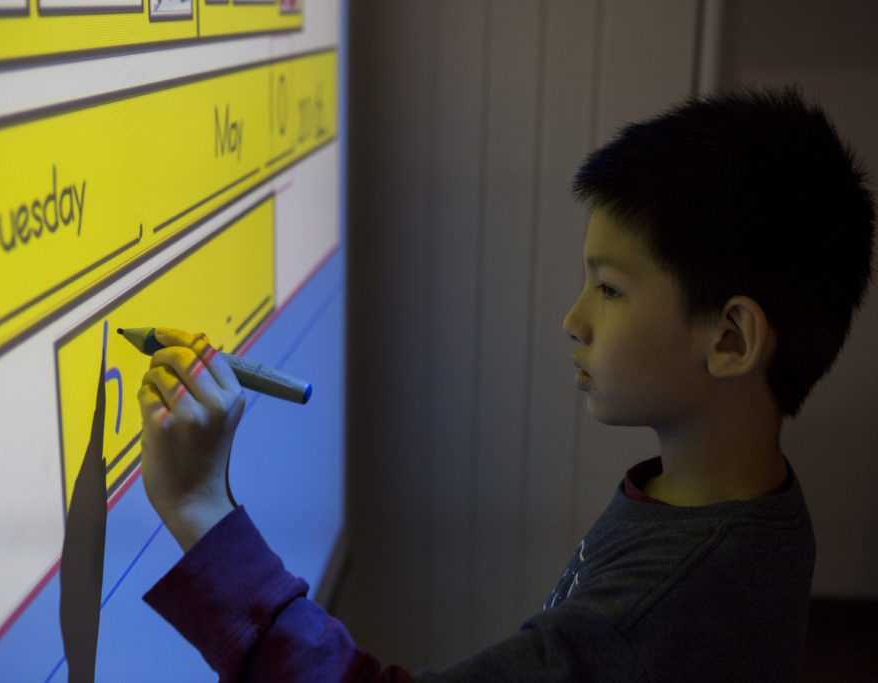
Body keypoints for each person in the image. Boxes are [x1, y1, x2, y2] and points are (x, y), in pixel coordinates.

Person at [135, 88, 875, 681]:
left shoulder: (663, 605)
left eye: (610, 290)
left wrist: (202, 508)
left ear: (730, 338)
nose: (573, 319)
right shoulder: (742, 505)